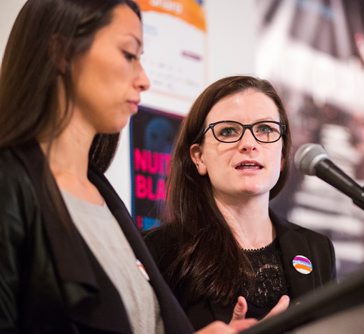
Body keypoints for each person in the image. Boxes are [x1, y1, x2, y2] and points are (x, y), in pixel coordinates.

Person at [0, 1, 254, 333]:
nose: (144, 80)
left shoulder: (104, 195)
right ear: (60, 52)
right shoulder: (10, 182)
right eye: (129, 55)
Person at [144, 75, 337, 331]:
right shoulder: (159, 251)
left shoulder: (317, 249)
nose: (249, 144)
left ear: (281, 155)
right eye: (228, 131)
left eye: (265, 129)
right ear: (198, 157)